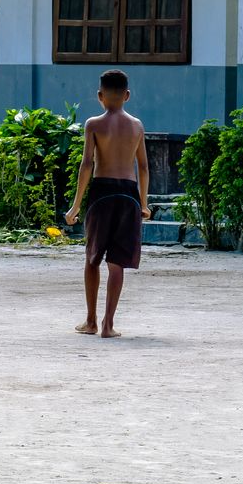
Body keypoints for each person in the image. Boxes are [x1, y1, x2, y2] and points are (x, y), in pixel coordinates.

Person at [64, 70, 151, 338]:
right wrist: (144, 203)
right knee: (117, 263)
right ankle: (108, 325)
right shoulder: (136, 125)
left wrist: (76, 205)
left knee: (92, 258)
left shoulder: (93, 124)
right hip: (128, 194)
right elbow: (144, 167)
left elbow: (87, 164)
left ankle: (90, 321)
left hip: (101, 193)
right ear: (127, 95)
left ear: (100, 96)